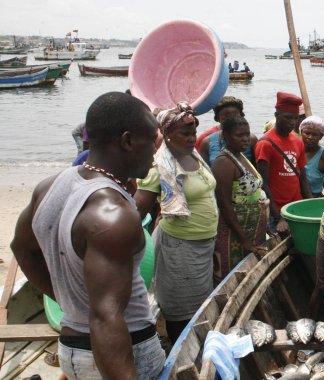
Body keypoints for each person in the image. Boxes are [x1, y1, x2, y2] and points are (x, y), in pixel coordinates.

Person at [11, 92, 164, 379]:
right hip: (121, 355)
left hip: (71, 349)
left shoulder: (49, 186)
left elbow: (22, 250)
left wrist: (67, 301)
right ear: (128, 141)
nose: (155, 153)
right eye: (151, 141)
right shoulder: (114, 214)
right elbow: (106, 318)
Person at [135, 102, 218, 344]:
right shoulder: (160, 167)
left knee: (199, 303)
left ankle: (194, 345)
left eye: (193, 132)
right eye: (185, 133)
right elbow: (135, 210)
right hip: (179, 247)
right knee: (179, 308)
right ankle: (179, 349)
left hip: (203, 245)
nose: (192, 138)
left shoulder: (193, 154)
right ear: (167, 134)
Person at [211, 116, 269, 282]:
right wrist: (244, 240)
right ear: (226, 137)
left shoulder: (241, 157)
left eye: (247, 134)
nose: (245, 139)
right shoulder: (224, 163)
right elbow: (224, 204)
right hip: (234, 234)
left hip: (252, 230)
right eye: (239, 135)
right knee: (231, 277)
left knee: (251, 275)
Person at [255, 92, 312, 235]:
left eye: (295, 118)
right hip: (277, 211)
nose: (292, 122)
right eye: (287, 118)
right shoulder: (265, 144)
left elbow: (302, 178)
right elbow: (263, 183)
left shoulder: (298, 142)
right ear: (277, 115)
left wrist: (311, 204)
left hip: (297, 207)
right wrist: (277, 217)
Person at [197, 96, 256, 166]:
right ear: (217, 118)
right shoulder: (207, 141)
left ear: (241, 116)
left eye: (235, 115)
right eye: (226, 116)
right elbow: (204, 169)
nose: (231, 120)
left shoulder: (251, 140)